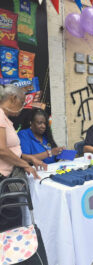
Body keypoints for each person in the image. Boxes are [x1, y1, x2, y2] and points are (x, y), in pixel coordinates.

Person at [0, 85, 46, 231]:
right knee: (10, 221)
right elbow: (2, 149)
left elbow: (12, 150)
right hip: (4, 176)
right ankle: (10, 252)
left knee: (13, 217)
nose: (22, 108)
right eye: (22, 103)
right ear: (13, 98)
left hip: (8, 174)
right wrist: (25, 165)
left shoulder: (5, 117)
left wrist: (30, 159)